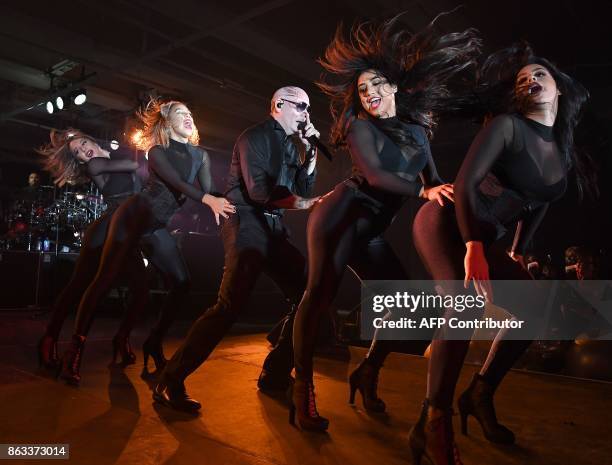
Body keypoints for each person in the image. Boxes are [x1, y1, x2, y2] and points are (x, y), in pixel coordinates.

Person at [289, 14, 481, 431]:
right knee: (318, 296)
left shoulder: (417, 130)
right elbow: (376, 177)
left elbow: (436, 183)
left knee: (404, 307)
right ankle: (301, 389)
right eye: (362, 89)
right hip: (341, 217)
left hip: (370, 232)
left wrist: (473, 206)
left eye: (376, 84)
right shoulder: (359, 127)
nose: (369, 93)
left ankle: (368, 370)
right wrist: (422, 193)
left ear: (393, 86)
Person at [409, 43, 591, 464]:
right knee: (467, 306)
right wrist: (475, 245)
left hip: (485, 238)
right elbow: (468, 182)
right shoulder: (507, 126)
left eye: (539, 74)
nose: (531, 80)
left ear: (559, 89)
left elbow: (539, 201)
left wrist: (518, 251)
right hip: (448, 221)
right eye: (522, 78)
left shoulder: (562, 153)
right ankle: (433, 423)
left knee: (534, 309)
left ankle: (479, 393)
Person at [153, 86, 320, 413]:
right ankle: (170, 380)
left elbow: (301, 187)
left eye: (309, 108)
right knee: (229, 306)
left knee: (309, 292)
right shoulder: (254, 137)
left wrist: (311, 156)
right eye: (300, 106)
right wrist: (304, 202)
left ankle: (274, 374)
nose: (306, 114)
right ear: (278, 105)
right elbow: (259, 192)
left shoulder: (289, 145)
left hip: (272, 227)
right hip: (246, 222)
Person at [56, 100, 234, 385]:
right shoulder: (156, 152)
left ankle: (153, 341)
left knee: (182, 283)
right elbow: (177, 182)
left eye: (190, 113)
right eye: (179, 114)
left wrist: (242, 198)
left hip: (156, 226)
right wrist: (208, 199)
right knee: (104, 279)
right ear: (166, 122)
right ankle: (74, 349)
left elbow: (211, 190)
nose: (188, 117)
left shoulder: (201, 156)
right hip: (132, 217)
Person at [37, 128, 145, 374]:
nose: (83, 149)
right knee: (79, 285)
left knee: (141, 290)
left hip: (127, 230)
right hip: (105, 231)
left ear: (92, 141)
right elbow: (133, 166)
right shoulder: (97, 163)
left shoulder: (107, 159)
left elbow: (138, 189)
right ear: (81, 161)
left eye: (83, 143)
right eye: (77, 152)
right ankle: (50, 339)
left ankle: (121, 338)